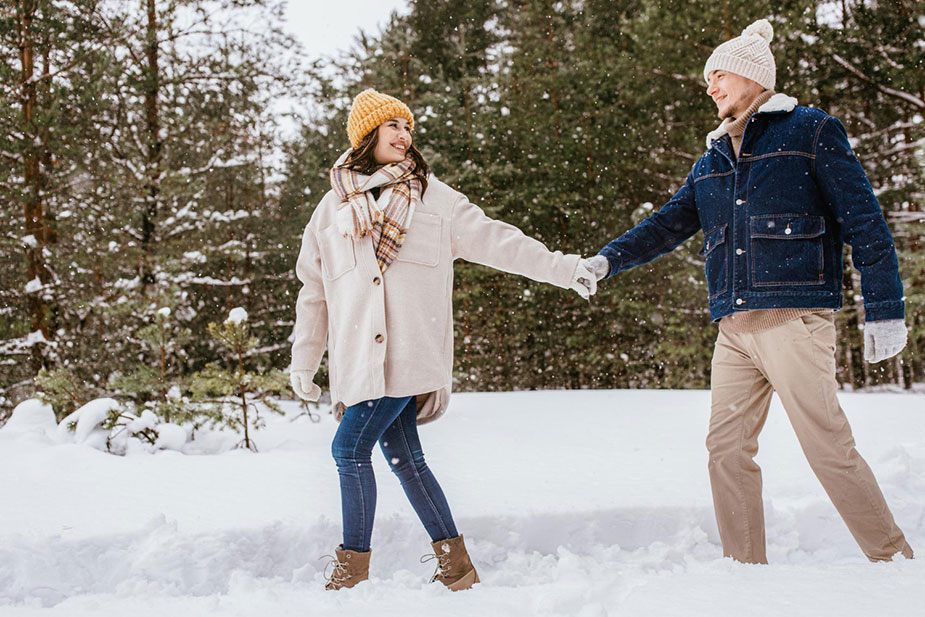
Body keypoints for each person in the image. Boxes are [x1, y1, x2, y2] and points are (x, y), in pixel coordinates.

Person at [586, 19, 913, 564]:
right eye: (707, 79)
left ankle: (892, 559)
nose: (709, 86)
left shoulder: (808, 130)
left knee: (827, 448)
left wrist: (885, 310)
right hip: (734, 332)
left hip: (792, 321)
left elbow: (865, 221)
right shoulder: (712, 159)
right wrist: (606, 260)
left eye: (718, 74)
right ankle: (745, 571)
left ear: (752, 75)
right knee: (726, 450)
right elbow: (666, 225)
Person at [290, 88, 596, 590]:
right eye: (394, 126)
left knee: (348, 452)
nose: (405, 135)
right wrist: (306, 360)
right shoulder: (330, 209)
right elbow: (315, 291)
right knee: (406, 459)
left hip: (409, 358)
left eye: (408, 128)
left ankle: (351, 576)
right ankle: (457, 568)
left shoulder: (436, 199)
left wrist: (563, 269)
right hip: (357, 364)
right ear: (366, 136)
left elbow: (502, 241)